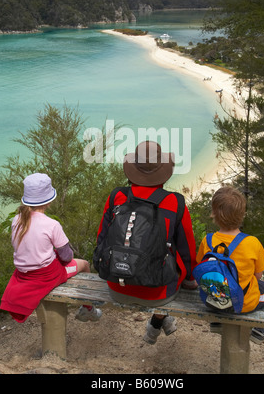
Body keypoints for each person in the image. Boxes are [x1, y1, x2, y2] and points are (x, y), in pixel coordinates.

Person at [83, 141, 197, 344]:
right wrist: (189, 279)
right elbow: (187, 251)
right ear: (163, 171)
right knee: (175, 257)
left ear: (133, 170)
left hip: (117, 287)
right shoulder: (175, 202)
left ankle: (159, 322)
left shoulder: (116, 197)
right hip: (159, 293)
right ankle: (158, 321)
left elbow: (101, 239)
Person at [0, 173, 101, 323]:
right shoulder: (52, 224)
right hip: (47, 275)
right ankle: (88, 310)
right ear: (49, 201)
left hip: (23, 274)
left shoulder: (17, 219)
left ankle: (87, 309)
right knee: (84, 264)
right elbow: (66, 256)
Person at [196, 186, 264, 344]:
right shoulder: (252, 243)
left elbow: (201, 265)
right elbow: (258, 276)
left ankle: (217, 321)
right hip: (242, 304)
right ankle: (259, 331)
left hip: (213, 301)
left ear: (213, 214)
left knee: (218, 280)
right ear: (242, 215)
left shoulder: (208, 240)